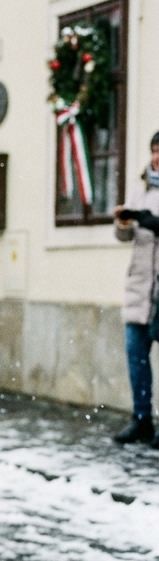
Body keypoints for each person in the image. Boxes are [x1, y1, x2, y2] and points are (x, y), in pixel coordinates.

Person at [111, 131, 159, 443]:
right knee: (135, 356)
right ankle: (141, 418)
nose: (156, 157)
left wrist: (147, 219)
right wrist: (125, 223)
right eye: (154, 150)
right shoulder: (141, 189)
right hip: (139, 290)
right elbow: (125, 237)